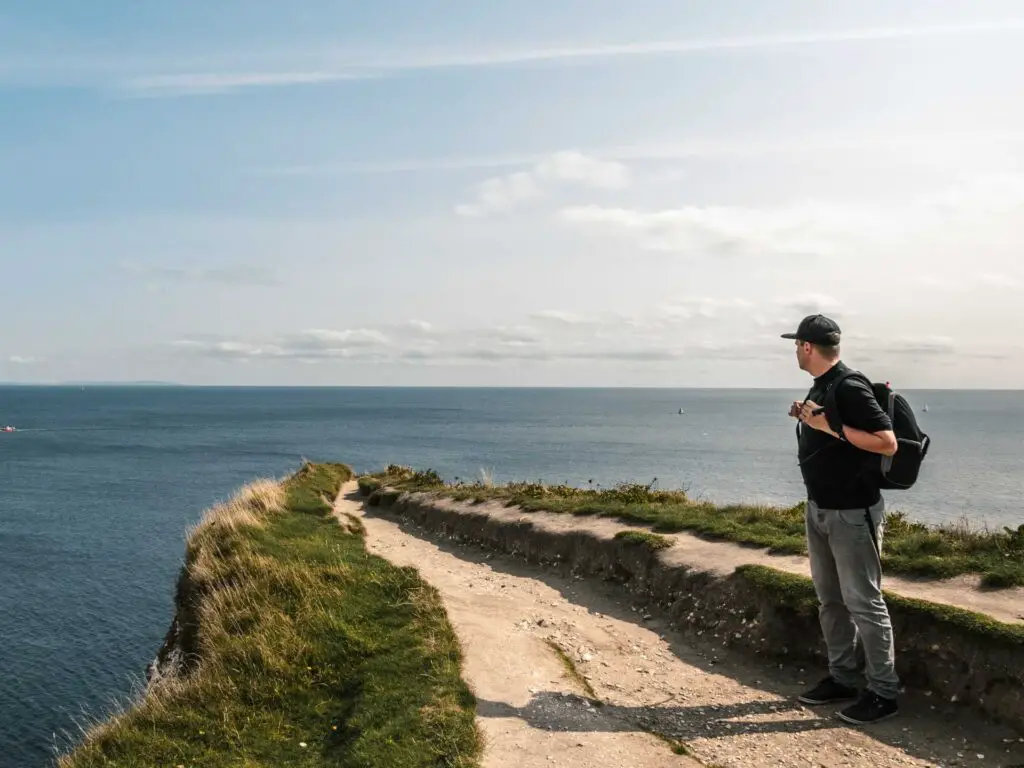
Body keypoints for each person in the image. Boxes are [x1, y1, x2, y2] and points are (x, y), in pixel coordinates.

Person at [782, 314, 900, 725]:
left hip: (852, 512)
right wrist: (808, 417)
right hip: (820, 508)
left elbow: (887, 442)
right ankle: (843, 677)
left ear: (808, 347)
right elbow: (832, 430)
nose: (795, 351)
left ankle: (884, 692)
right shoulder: (822, 386)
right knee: (830, 600)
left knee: (864, 602)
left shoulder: (849, 385)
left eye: (796, 344)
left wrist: (827, 426)